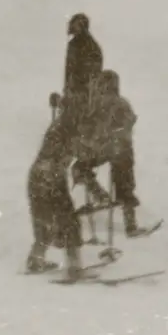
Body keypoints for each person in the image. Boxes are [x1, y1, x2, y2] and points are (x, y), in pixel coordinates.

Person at [71, 70, 142, 235]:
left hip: (106, 148)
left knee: (80, 168)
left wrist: (87, 144)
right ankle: (130, 224)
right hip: (119, 149)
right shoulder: (120, 103)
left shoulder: (99, 104)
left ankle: (98, 193)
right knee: (125, 186)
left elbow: (84, 127)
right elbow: (129, 123)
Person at [24, 111, 84, 279]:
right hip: (53, 176)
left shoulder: (58, 126)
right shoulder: (72, 128)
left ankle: (36, 259)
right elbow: (79, 154)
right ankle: (74, 267)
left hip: (36, 175)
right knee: (68, 221)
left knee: (44, 220)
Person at [61, 13, 104, 133]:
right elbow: (69, 70)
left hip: (84, 93)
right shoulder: (76, 44)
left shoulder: (90, 47)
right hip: (76, 92)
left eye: (75, 25)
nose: (72, 28)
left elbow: (93, 73)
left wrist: (76, 89)